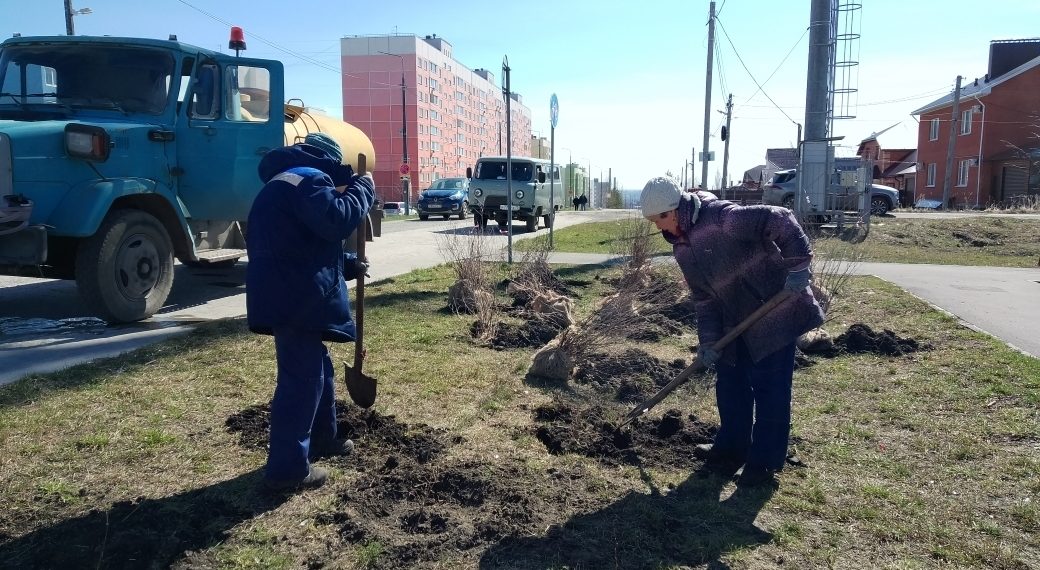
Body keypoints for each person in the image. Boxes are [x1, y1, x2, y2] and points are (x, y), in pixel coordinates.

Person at [640, 176, 824, 487]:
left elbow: (780, 219)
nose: (660, 228)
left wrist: (799, 266)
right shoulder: (682, 247)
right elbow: (704, 298)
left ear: (676, 209)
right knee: (730, 387)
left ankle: (764, 463)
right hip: (733, 323)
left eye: (661, 219)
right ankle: (731, 448)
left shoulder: (724, 218)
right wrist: (709, 342)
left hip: (774, 312)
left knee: (770, 391)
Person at [246, 132, 375, 491]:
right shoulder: (309, 178)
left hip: (289, 291)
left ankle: (323, 438)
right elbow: (336, 221)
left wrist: (348, 264)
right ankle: (288, 469)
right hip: (295, 297)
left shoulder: (283, 182)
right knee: (301, 381)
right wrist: (363, 189)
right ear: (329, 160)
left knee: (319, 370)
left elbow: (303, 245)